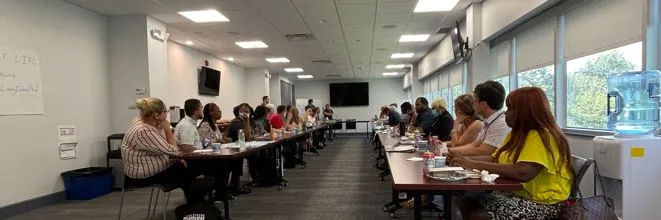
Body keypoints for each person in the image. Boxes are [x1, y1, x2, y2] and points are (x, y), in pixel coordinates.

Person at [447, 87, 573, 220]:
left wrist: (472, 163)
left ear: (525, 112)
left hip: (543, 203)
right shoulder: (517, 133)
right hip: (517, 194)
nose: (506, 113)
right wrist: (461, 159)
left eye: (510, 109)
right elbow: (494, 158)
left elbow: (523, 172)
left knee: (476, 214)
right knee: (463, 198)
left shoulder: (541, 136)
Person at [121, 98, 209, 203]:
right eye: (165, 112)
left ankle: (195, 205)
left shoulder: (145, 122)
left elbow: (163, 148)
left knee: (188, 170)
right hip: (145, 176)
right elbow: (172, 150)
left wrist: (176, 159)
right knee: (191, 171)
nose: (167, 115)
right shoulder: (143, 130)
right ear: (156, 115)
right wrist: (167, 128)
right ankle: (196, 205)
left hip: (156, 167)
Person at [450, 81, 511, 156]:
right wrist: (450, 151)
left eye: (475, 99)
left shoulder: (501, 123)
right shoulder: (489, 121)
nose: (473, 104)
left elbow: (484, 151)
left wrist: (450, 151)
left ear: (483, 104)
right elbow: (474, 145)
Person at [226, 103, 256, 194]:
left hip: (240, 148)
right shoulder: (237, 122)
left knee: (258, 154)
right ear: (239, 112)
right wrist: (247, 122)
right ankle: (236, 185)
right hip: (232, 149)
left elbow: (251, 136)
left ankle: (238, 184)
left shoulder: (247, 121)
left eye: (248, 111)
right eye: (244, 111)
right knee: (241, 159)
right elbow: (247, 137)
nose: (246, 113)